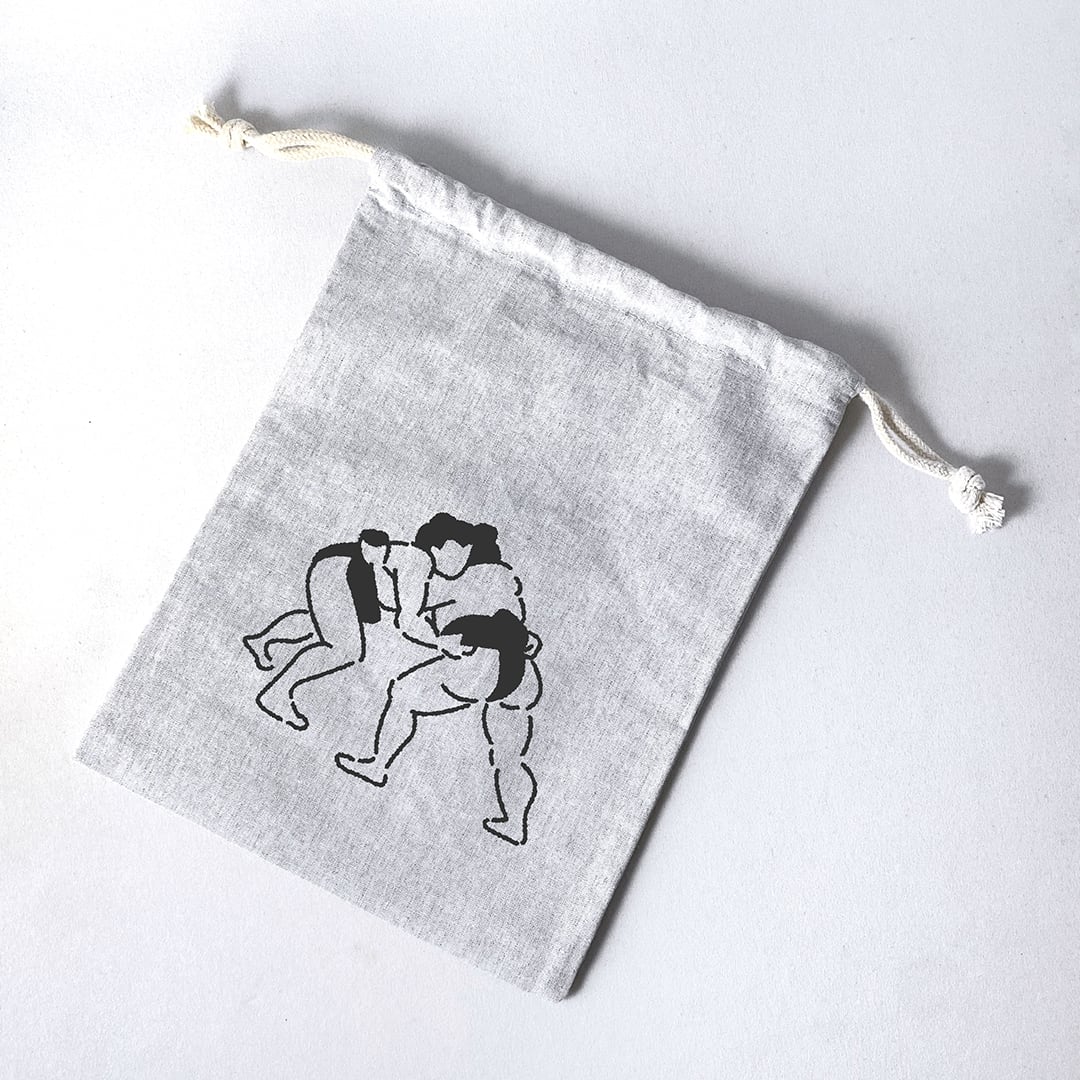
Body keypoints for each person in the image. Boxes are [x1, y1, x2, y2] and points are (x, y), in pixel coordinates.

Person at [335, 513, 543, 846]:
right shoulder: (498, 574)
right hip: (518, 676)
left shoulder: (468, 577)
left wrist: (455, 636)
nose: (438, 560)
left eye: (439, 550)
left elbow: (496, 623)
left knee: (402, 693)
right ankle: (515, 823)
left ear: (458, 546)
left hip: (478, 668)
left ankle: (377, 765)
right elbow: (515, 626)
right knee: (509, 756)